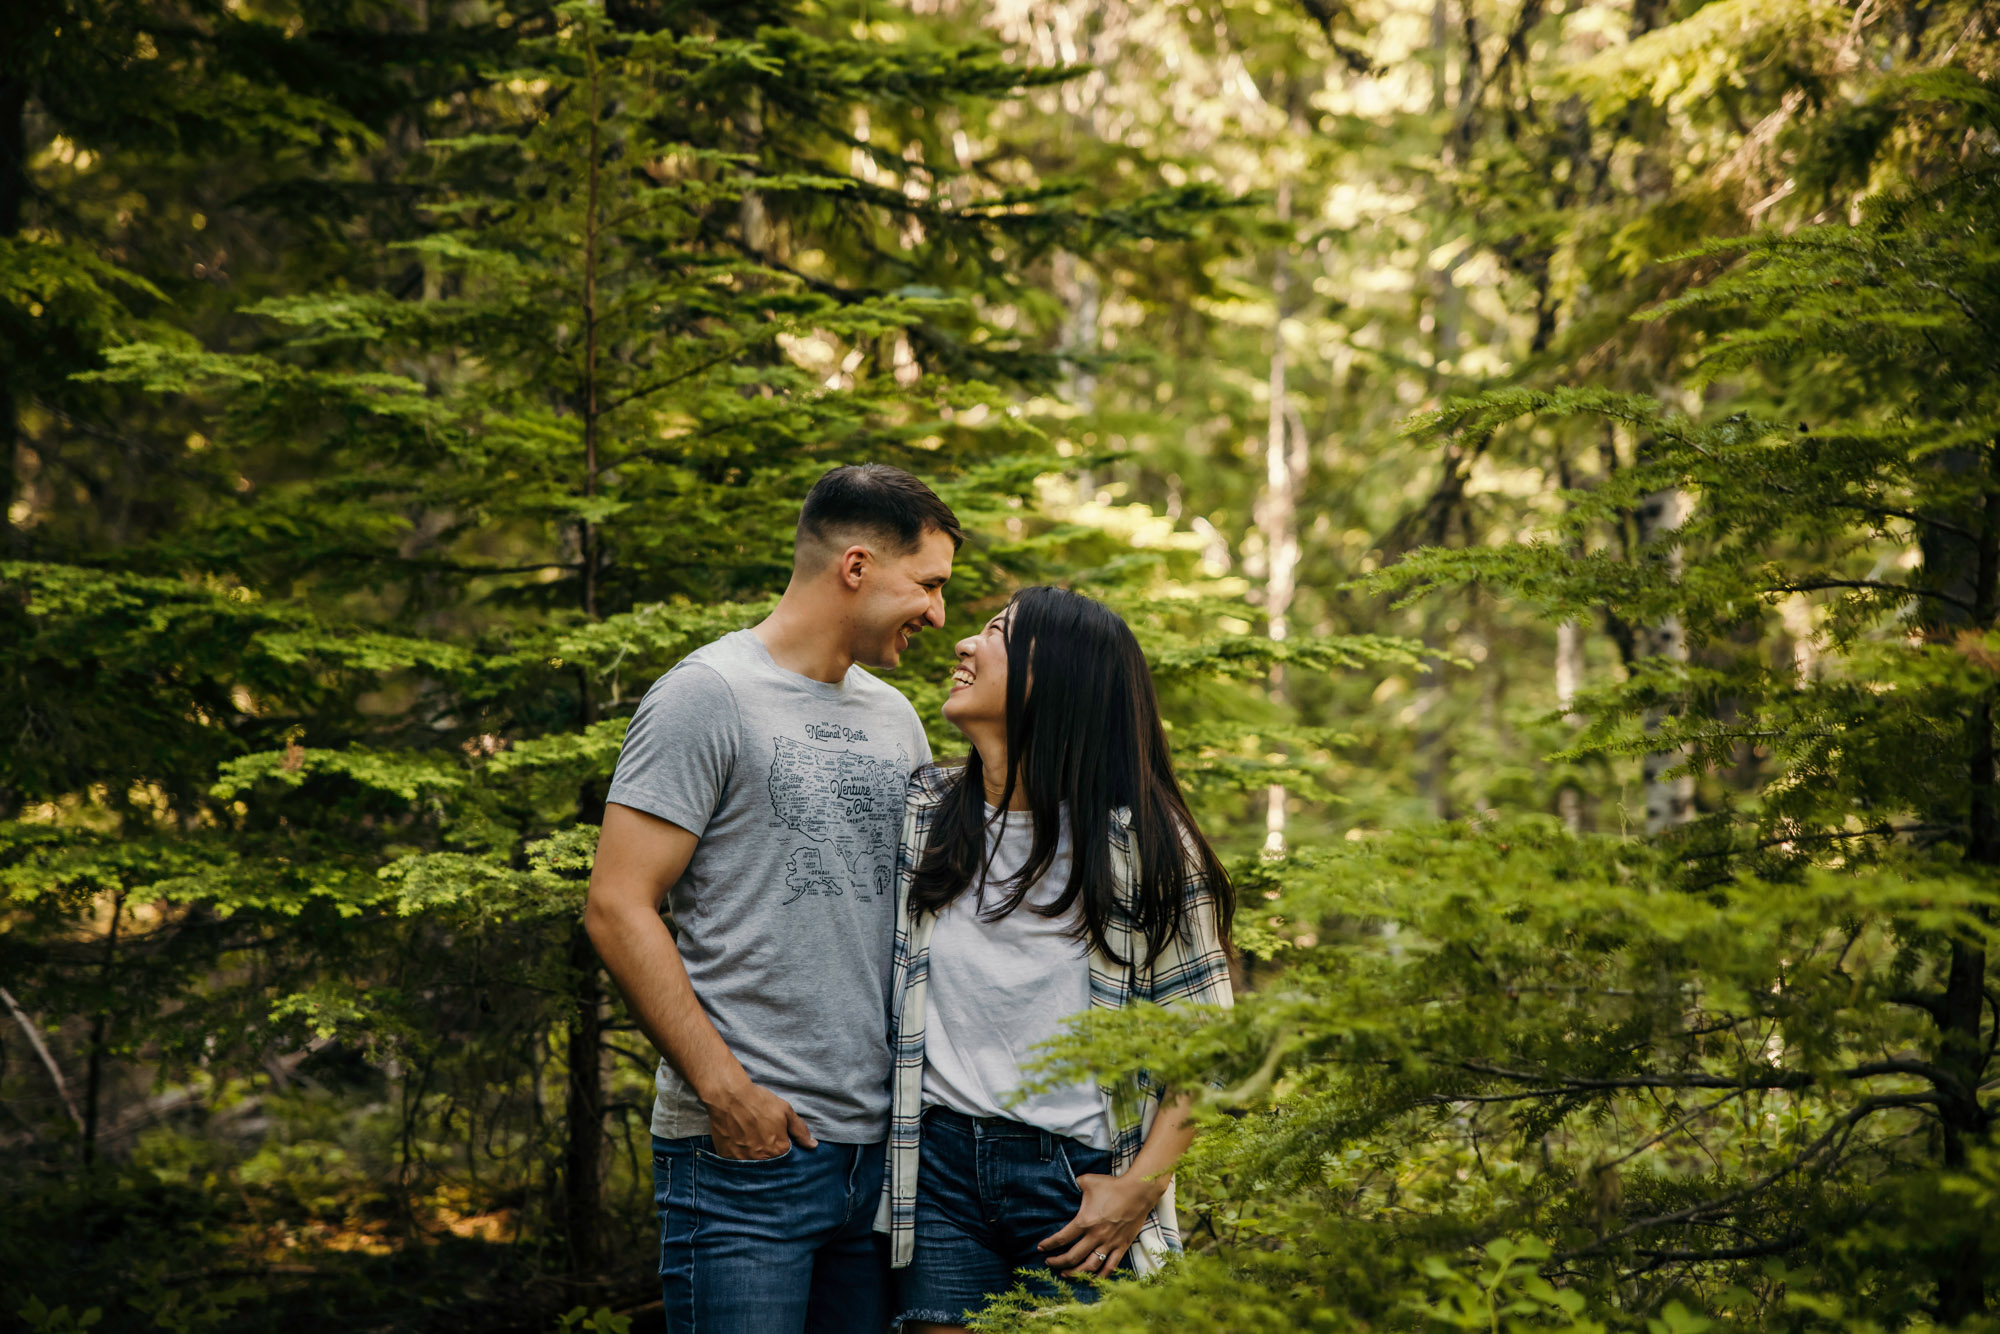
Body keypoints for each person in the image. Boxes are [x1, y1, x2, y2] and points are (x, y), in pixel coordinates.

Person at [585, 463, 960, 1334]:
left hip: (880, 1159)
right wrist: (724, 1091)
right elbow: (616, 904)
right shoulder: (705, 695)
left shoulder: (896, 716)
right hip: (744, 1155)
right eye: (930, 585)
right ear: (857, 567)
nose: (939, 615)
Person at [879, 586, 1236, 1332]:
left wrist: (1138, 1189)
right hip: (936, 1167)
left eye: (996, 634)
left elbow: (1206, 1050)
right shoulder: (924, 811)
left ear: (1059, 676)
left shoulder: (1146, 845)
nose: (963, 645)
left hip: (1075, 1182)